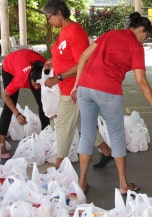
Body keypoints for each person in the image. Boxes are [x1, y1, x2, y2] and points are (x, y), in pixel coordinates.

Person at [71, 12, 152, 194]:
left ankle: (81, 183)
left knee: (87, 134)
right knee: (117, 137)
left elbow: (83, 57)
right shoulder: (135, 47)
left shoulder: (110, 34)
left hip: (85, 88)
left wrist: (76, 85)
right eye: (146, 36)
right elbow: (141, 82)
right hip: (108, 91)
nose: (144, 40)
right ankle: (123, 185)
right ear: (141, 30)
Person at [42, 0, 112, 169]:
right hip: (68, 86)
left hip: (75, 87)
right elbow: (66, 54)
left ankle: (59, 167)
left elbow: (83, 62)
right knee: (82, 122)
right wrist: (54, 61)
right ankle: (106, 150)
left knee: (63, 126)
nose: (49, 21)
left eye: (49, 17)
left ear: (59, 13)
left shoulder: (75, 32)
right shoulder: (64, 31)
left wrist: (58, 77)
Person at [0, 49, 50, 159]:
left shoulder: (47, 70)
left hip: (28, 60)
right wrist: (18, 114)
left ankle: (45, 139)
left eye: (39, 84)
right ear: (30, 78)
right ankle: (1, 144)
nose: (37, 87)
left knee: (43, 105)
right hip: (10, 66)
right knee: (9, 106)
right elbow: (5, 95)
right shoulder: (20, 79)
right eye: (35, 84)